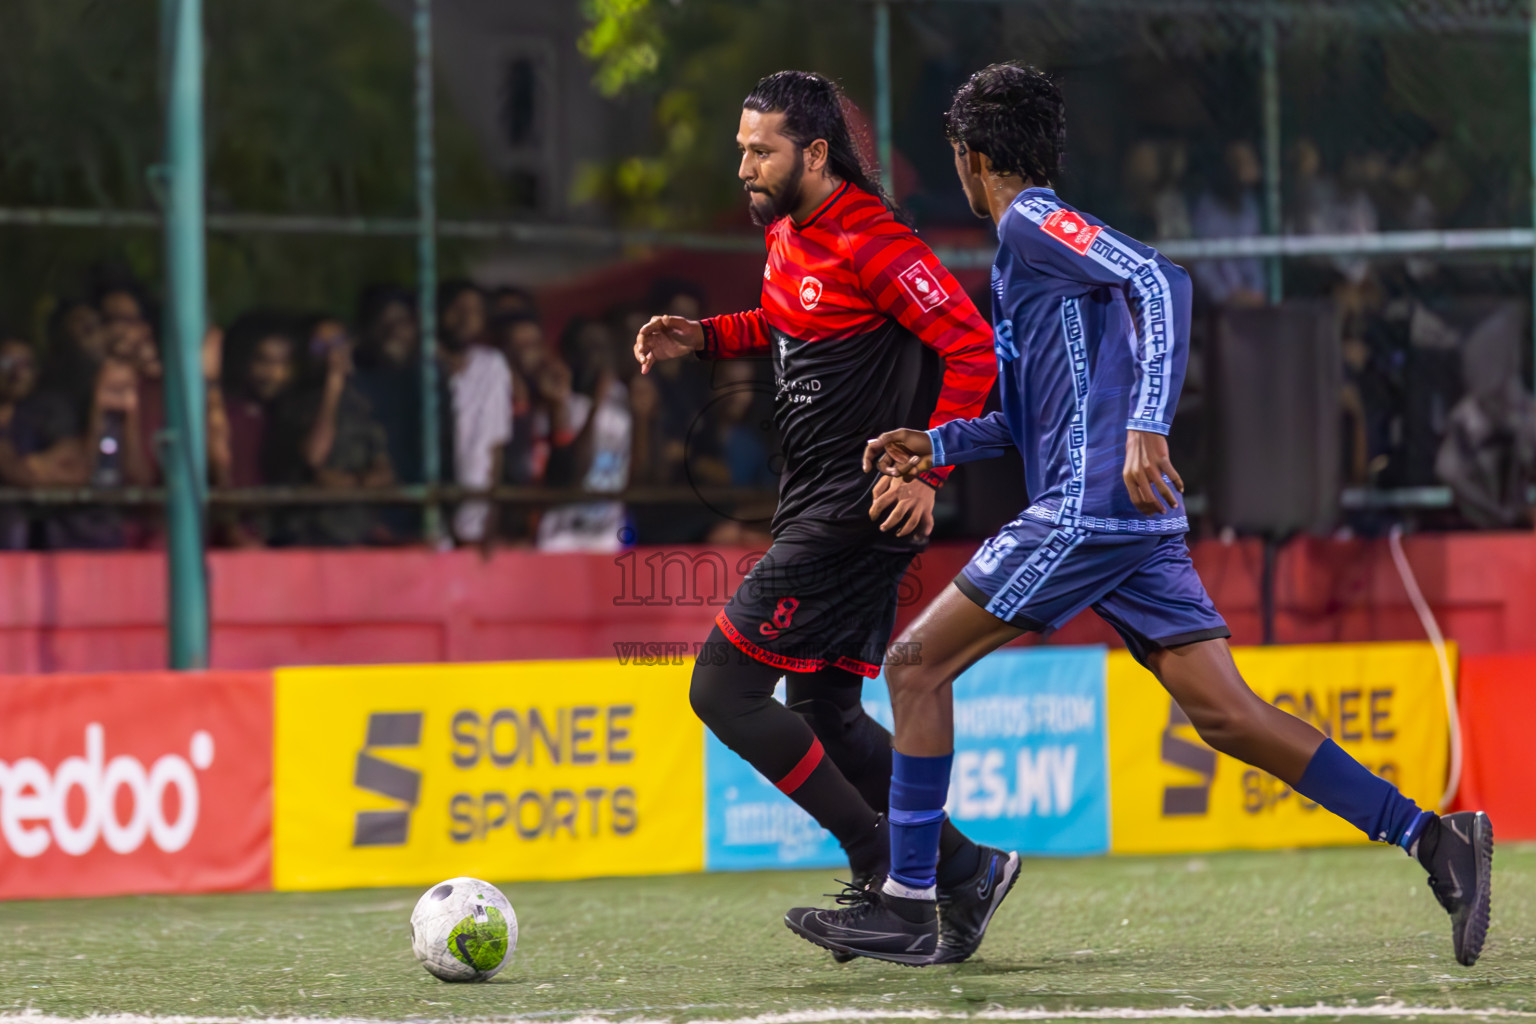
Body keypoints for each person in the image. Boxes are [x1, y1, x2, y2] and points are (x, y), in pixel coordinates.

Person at [786, 62, 1494, 970]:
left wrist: (1149, 422)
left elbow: (1161, 281)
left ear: (971, 158)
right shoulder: (1023, 251)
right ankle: (1438, 840)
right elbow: (1032, 416)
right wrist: (941, 445)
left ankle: (915, 899)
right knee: (1229, 715)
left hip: (1089, 508)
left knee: (914, 666)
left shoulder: (1035, 219)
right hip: (1126, 520)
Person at [633, 70, 1009, 964]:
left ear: (814, 151)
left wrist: (929, 466)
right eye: (741, 150)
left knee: (720, 689)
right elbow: (787, 318)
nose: (745, 167)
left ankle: (886, 866)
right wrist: (708, 335)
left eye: (759, 150)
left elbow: (972, 344)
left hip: (857, 506)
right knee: (827, 706)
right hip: (815, 500)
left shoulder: (876, 238)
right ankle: (962, 869)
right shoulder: (790, 234)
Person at [438, 280, 512, 548]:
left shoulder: (491, 366)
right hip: (431, 518)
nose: (465, 318)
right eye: (458, 308)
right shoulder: (422, 364)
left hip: (474, 518)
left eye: (474, 311)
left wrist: (490, 521)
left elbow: (495, 446)